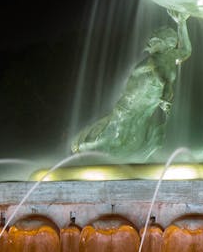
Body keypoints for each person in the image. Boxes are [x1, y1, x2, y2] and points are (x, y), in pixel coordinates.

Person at [71, 9, 192, 159]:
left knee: (131, 142)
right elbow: (159, 75)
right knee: (116, 138)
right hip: (128, 108)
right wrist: (167, 90)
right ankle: (84, 147)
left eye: (153, 41)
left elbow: (186, 50)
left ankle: (92, 152)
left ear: (164, 43)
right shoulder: (152, 60)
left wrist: (182, 23)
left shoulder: (169, 57)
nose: (149, 45)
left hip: (144, 112)